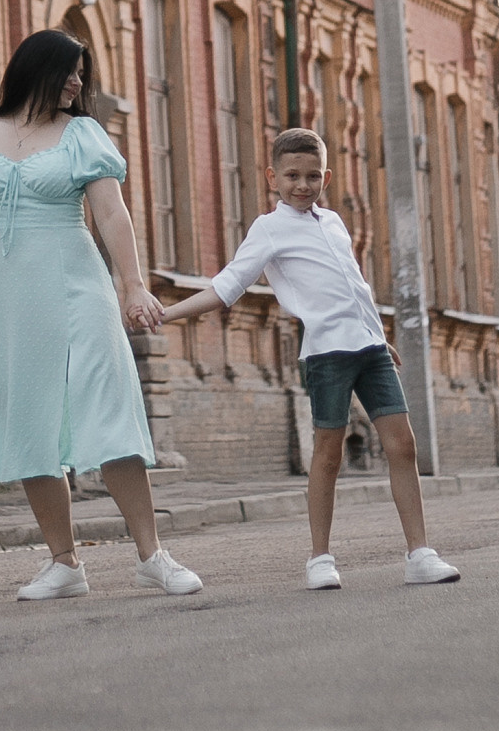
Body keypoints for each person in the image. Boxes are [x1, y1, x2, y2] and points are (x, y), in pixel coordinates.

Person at [0, 28, 204, 602]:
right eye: (71, 71)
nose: (79, 83)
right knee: (28, 422)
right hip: (7, 295)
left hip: (79, 284)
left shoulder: (82, 133)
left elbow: (112, 216)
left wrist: (132, 285)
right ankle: (64, 563)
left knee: (109, 412)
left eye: (83, 73)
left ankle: (153, 557)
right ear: (36, 69)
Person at [156, 125, 461, 592]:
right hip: (327, 354)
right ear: (272, 177)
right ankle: (320, 559)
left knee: (403, 446)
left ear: (327, 178)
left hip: (370, 349)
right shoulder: (269, 229)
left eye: (313, 176)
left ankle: (420, 554)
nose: (303, 185)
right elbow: (227, 286)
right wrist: (165, 315)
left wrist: (380, 335)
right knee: (328, 455)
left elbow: (354, 285)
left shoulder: (334, 222)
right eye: (293, 175)